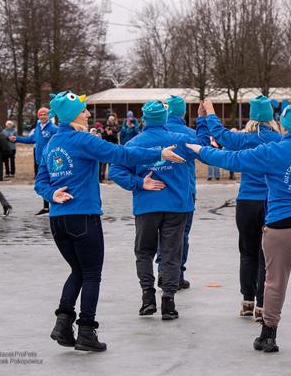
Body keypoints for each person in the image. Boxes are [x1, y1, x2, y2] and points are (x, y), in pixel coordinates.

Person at [186, 99, 291, 363]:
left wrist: (200, 149)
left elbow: (230, 159)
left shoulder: (272, 151)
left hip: (282, 225)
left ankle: (268, 335)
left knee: (275, 281)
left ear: (286, 125)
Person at [35, 91, 181, 352]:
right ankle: (87, 331)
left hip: (58, 220)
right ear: (72, 116)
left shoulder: (52, 143)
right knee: (91, 274)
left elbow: (40, 181)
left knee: (77, 271)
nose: (88, 113)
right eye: (83, 110)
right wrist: (160, 153)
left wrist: (50, 194)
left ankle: (63, 322)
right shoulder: (81, 140)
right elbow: (121, 155)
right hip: (83, 217)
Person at [110, 100, 200, 320]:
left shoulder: (134, 143)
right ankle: (168, 300)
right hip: (177, 206)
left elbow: (115, 170)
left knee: (144, 252)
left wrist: (139, 183)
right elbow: (204, 147)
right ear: (165, 117)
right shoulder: (182, 140)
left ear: (144, 118)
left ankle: (147, 297)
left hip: (147, 206)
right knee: (171, 252)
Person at [201, 95, 282, 321]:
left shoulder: (244, 139)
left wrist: (209, 111)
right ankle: (262, 304)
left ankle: (247, 300)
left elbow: (220, 135)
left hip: (246, 202)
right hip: (269, 202)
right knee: (266, 255)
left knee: (247, 252)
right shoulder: (278, 140)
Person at [154, 95, 207, 291]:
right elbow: (204, 148)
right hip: (183, 191)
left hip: (155, 189)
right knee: (180, 234)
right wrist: (202, 120)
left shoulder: (157, 132)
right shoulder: (187, 134)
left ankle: (162, 269)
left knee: (161, 234)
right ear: (183, 112)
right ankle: (176, 274)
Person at [13, 107, 58, 215]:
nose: (43, 116)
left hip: (51, 160)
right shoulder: (38, 127)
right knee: (43, 183)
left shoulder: (53, 128)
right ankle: (46, 207)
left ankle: (57, 205)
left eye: (45, 114)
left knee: (55, 182)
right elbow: (31, 139)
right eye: (41, 115)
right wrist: (17, 139)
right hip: (40, 160)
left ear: (49, 116)